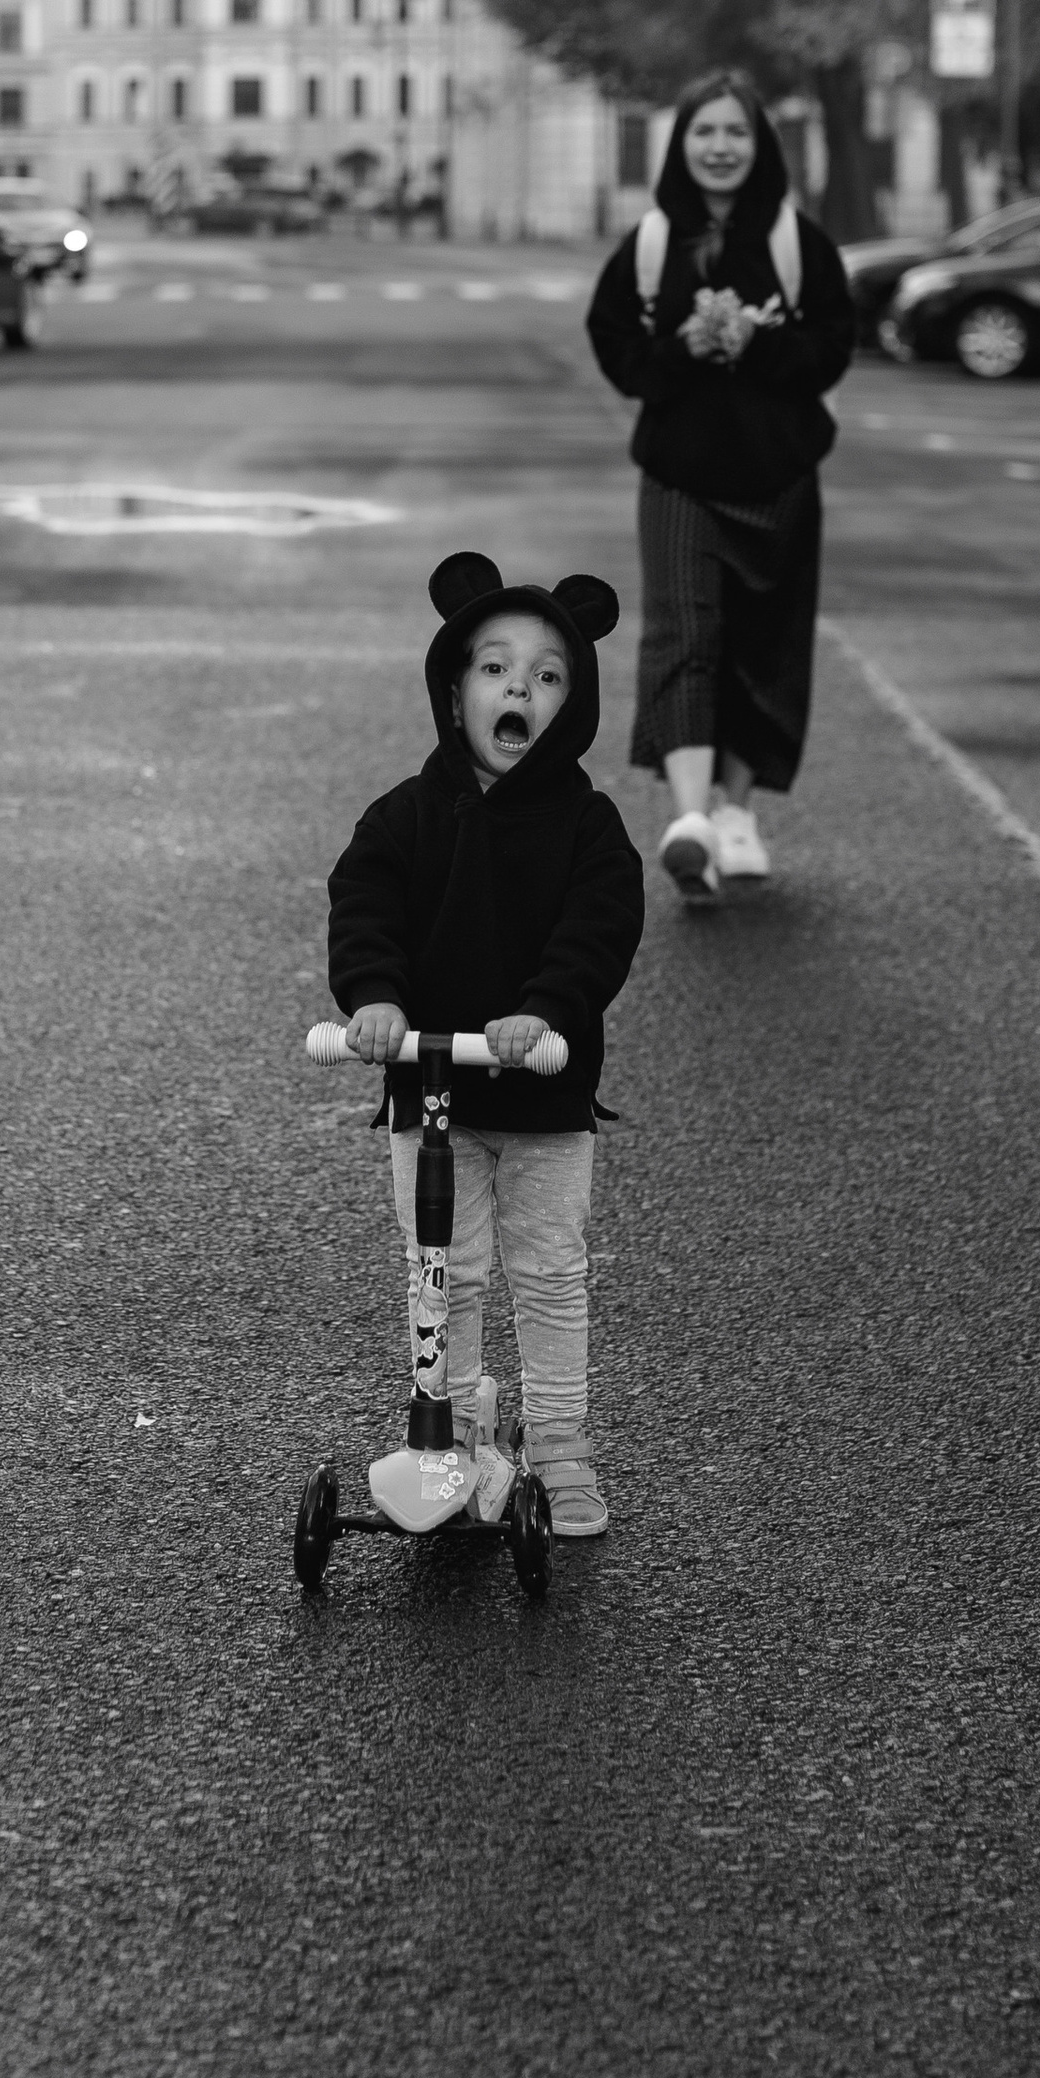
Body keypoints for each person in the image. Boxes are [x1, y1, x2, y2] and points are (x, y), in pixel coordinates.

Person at [328, 553, 646, 1539]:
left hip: (543, 1101)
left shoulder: (586, 827)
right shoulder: (404, 817)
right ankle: (454, 1433)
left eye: (548, 676)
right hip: (430, 1098)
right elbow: (364, 911)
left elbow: (599, 929)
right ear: (454, 689)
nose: (520, 689)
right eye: (496, 669)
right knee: (443, 1269)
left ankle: (558, 1443)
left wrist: (544, 1013)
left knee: (548, 1271)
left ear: (573, 704)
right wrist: (373, 1001)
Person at [586, 70, 856, 902]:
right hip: (679, 477)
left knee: (765, 645)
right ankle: (691, 817)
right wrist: (685, 351)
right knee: (683, 636)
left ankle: (739, 814)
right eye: (705, 132)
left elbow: (832, 352)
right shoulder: (654, 242)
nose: (720, 147)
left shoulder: (795, 242)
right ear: (683, 144)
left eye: (735, 132)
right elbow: (617, 351)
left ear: (758, 144)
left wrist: (755, 343)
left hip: (778, 476)